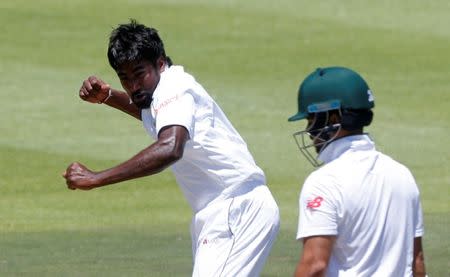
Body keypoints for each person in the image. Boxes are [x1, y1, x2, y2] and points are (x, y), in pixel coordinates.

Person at [63, 19, 280, 276]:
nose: (132, 86)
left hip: (236, 209)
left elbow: (170, 147)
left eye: (139, 74)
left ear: (161, 64)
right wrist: (109, 97)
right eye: (124, 77)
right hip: (225, 212)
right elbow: (155, 115)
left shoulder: (174, 88)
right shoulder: (166, 91)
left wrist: (96, 178)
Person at [287, 66, 426, 276]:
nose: (308, 130)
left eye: (310, 120)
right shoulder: (402, 175)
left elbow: (315, 265)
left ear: (333, 119)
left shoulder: (324, 182)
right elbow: (417, 264)